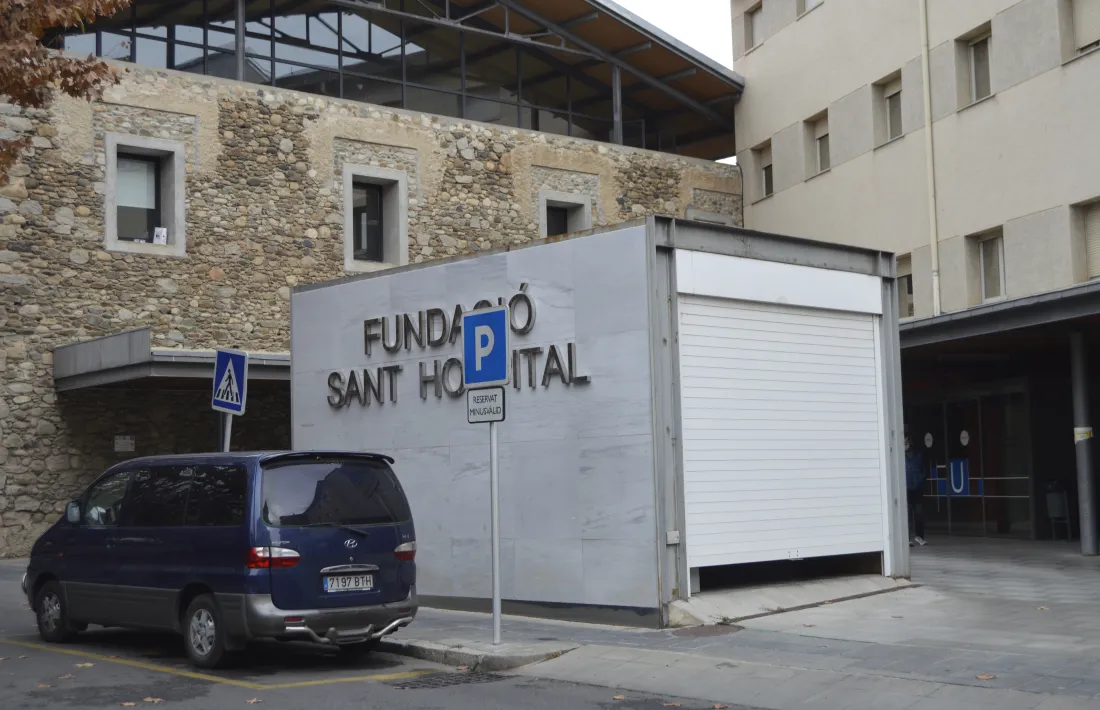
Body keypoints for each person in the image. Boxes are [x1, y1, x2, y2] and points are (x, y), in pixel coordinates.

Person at [905, 431, 930, 547]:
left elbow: (924, 470)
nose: (905, 444)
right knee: (908, 514)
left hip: (917, 488)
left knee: (919, 513)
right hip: (906, 489)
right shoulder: (900, 456)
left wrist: (920, 481)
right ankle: (907, 538)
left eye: (906, 442)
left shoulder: (918, 455)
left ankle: (919, 536)